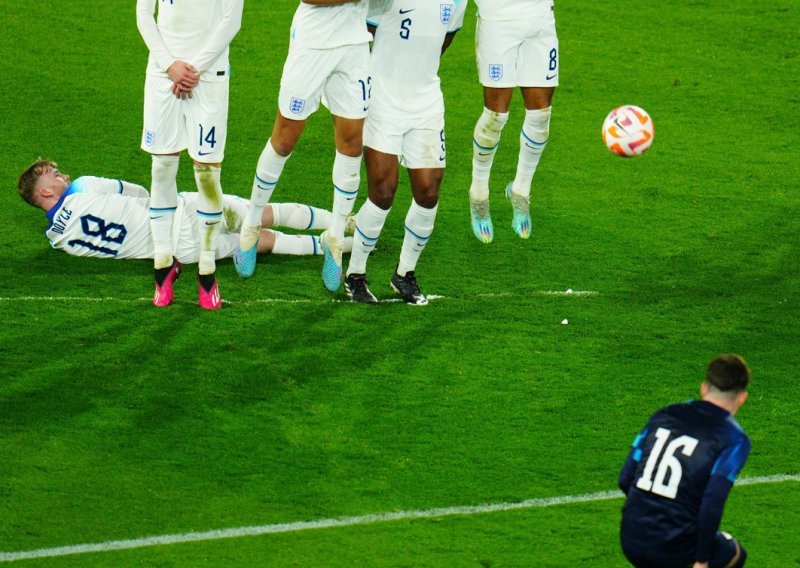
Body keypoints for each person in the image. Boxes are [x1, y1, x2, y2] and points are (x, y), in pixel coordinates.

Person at [234, 0, 372, 295]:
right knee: (285, 139)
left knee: (351, 143)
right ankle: (252, 224)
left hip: (355, 46)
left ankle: (334, 238)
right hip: (313, 43)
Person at [342, 0, 467, 305]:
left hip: (426, 103)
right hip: (383, 100)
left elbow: (444, 38)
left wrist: (416, 73)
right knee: (383, 191)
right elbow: (361, 34)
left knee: (428, 191)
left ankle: (404, 274)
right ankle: (355, 275)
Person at [17, 160, 351, 269]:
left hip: (181, 252)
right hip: (183, 214)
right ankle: (345, 226)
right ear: (45, 192)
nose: (65, 176)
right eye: (55, 175)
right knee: (261, 213)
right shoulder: (84, 187)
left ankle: (336, 248)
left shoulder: (59, 241)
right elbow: (139, 192)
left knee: (260, 242)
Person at [137, 0, 244, 309]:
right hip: (162, 74)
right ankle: (162, 265)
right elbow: (144, 13)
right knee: (162, 167)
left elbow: (231, 20)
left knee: (207, 174)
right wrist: (169, 64)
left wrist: (193, 69)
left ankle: (207, 271)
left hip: (208, 77)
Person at [618, 354, 751, 568]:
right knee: (734, 554)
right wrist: (702, 559)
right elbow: (711, 503)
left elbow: (625, 478)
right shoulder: (733, 439)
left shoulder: (664, 415)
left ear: (704, 388)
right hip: (673, 547)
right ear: (742, 397)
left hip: (631, 536)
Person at [468, 0, 558, 243]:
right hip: (497, 19)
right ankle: (478, 194)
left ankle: (521, 190)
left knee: (541, 114)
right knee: (496, 115)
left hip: (539, 16)